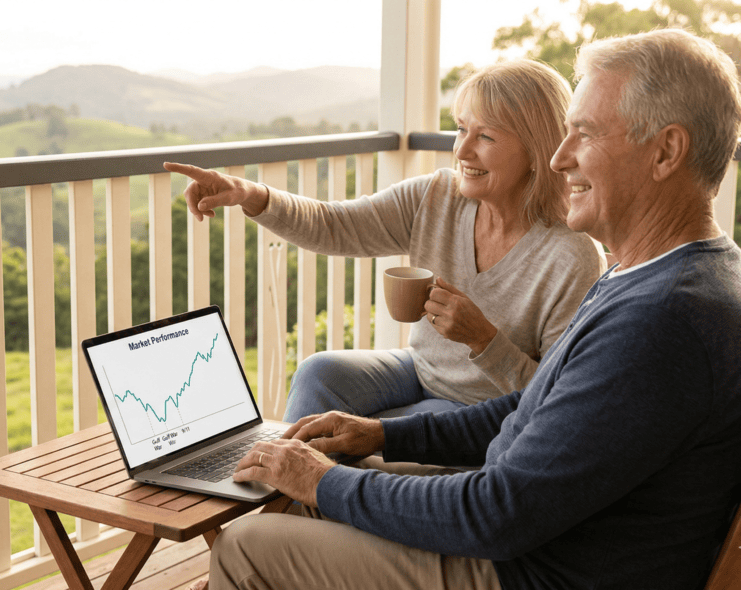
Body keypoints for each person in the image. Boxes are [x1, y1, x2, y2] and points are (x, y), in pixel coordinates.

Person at [187, 28, 741, 590]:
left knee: (247, 546)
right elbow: (534, 408)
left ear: (667, 151)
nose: (560, 157)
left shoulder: (661, 319)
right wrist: (381, 436)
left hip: (532, 570)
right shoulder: (655, 276)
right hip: (532, 534)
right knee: (308, 500)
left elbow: (495, 513)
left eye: (586, 134)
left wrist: (322, 480)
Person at [166, 59, 605, 426]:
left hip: (482, 410)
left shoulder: (571, 254)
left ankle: (299, 507)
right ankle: (293, 499)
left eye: (486, 136)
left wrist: (483, 340)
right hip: (419, 370)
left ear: (536, 149)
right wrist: (250, 195)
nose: (462, 151)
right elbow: (334, 225)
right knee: (320, 372)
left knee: (385, 430)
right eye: (461, 129)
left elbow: (554, 398)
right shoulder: (436, 196)